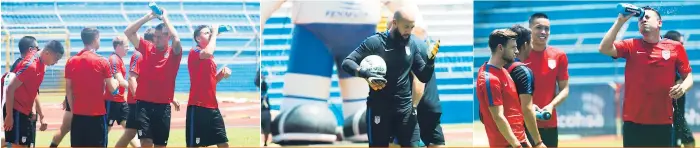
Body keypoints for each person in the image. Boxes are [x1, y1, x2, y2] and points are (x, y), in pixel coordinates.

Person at [261, 1, 380, 139]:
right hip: (313, 31)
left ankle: (364, 116)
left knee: (367, 112)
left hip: (361, 33)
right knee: (303, 117)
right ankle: (303, 111)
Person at [340, 8, 439, 147]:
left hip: (405, 109)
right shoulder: (374, 42)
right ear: (394, 23)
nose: (409, 31)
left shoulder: (412, 44)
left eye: (412, 27)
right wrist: (366, 74)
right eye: (406, 27)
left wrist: (430, 62)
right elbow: (347, 62)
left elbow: (423, 76)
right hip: (379, 108)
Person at [599, 6, 692, 147]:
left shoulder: (676, 47)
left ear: (659, 23)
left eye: (647, 17)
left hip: (663, 123)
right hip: (633, 123)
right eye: (640, 18)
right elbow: (604, 48)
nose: (643, 20)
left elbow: (688, 77)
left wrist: (683, 87)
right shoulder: (631, 45)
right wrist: (620, 21)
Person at [124, 8, 184, 147]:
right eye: (155, 36)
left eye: (159, 36)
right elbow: (128, 32)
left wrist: (165, 18)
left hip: (163, 106)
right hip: (143, 104)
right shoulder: (147, 47)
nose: (155, 39)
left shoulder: (174, 53)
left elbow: (177, 39)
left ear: (167, 37)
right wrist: (149, 16)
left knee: (160, 145)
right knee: (146, 142)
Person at [3, 39, 64, 147]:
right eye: (56, 58)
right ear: (47, 53)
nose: (56, 62)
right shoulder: (30, 65)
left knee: (25, 144)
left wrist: (41, 114)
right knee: (18, 145)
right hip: (16, 111)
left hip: (26, 112)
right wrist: (9, 115)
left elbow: (33, 90)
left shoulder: (42, 64)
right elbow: (10, 89)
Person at [522, 13, 570, 147]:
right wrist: (528, 107)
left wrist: (551, 106)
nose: (543, 32)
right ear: (529, 29)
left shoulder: (559, 56)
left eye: (547, 29)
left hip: (548, 122)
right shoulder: (519, 55)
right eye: (539, 27)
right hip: (522, 123)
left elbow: (565, 89)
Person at [65, 27, 119, 147]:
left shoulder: (71, 61)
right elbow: (112, 88)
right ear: (95, 39)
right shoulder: (102, 61)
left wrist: (73, 110)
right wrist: (117, 82)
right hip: (97, 115)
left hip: (78, 116)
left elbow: (68, 89)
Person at [476, 29, 528, 148]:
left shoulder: (503, 71)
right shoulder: (490, 78)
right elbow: (498, 117)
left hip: (518, 140)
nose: (517, 51)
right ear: (500, 48)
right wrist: (517, 145)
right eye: (513, 47)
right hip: (508, 144)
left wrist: (524, 140)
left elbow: (513, 110)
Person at [186, 25, 231, 147]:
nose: (209, 34)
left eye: (209, 33)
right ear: (197, 38)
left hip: (212, 106)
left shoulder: (210, 57)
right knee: (194, 145)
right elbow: (208, 51)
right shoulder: (194, 51)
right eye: (206, 33)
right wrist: (215, 32)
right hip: (198, 105)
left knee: (223, 142)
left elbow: (211, 81)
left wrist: (221, 74)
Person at [115, 28, 155, 148]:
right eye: (156, 39)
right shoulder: (139, 54)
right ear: (151, 40)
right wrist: (139, 99)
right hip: (138, 103)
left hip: (140, 101)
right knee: (147, 138)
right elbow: (131, 78)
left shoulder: (150, 55)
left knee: (130, 133)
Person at [506, 24, 545, 147]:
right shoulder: (523, 71)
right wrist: (538, 142)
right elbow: (526, 110)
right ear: (525, 45)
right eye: (531, 43)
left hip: (500, 134)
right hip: (517, 136)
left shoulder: (498, 67)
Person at [106, 36, 140, 147]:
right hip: (111, 101)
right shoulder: (114, 60)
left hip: (120, 102)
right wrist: (136, 89)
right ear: (118, 46)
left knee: (130, 131)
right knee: (104, 132)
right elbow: (120, 80)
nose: (128, 48)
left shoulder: (118, 59)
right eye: (126, 46)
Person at [663, 30, 695, 148]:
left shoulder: (680, 63)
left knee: (689, 141)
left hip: (679, 116)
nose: (683, 46)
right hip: (669, 118)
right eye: (681, 43)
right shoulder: (666, 64)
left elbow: (688, 79)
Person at [257, 68, 272, 147]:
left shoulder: (262, 94)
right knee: (266, 130)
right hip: (265, 112)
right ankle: (265, 143)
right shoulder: (265, 94)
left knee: (263, 129)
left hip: (262, 112)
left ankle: (264, 142)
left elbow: (257, 82)